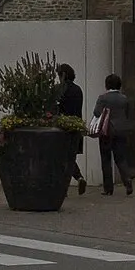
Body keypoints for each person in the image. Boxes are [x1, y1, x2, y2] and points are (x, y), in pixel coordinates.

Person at [92, 73, 134, 195]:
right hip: (121, 131)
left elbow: (96, 112)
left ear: (107, 85)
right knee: (120, 158)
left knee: (106, 159)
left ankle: (108, 188)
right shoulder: (124, 99)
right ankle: (127, 179)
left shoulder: (103, 98)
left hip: (106, 131)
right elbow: (128, 114)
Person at [56, 63, 87, 196]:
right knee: (70, 157)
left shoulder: (59, 89)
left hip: (62, 128)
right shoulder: (78, 90)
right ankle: (78, 178)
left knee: (61, 158)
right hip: (76, 127)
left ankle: (65, 186)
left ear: (62, 75)